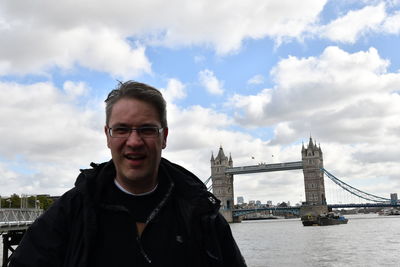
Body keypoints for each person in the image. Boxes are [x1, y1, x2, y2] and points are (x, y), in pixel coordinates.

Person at [9, 81, 246, 267]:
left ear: (164, 137)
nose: (134, 141)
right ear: (107, 136)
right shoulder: (70, 212)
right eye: (121, 129)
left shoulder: (203, 213)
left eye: (147, 129)